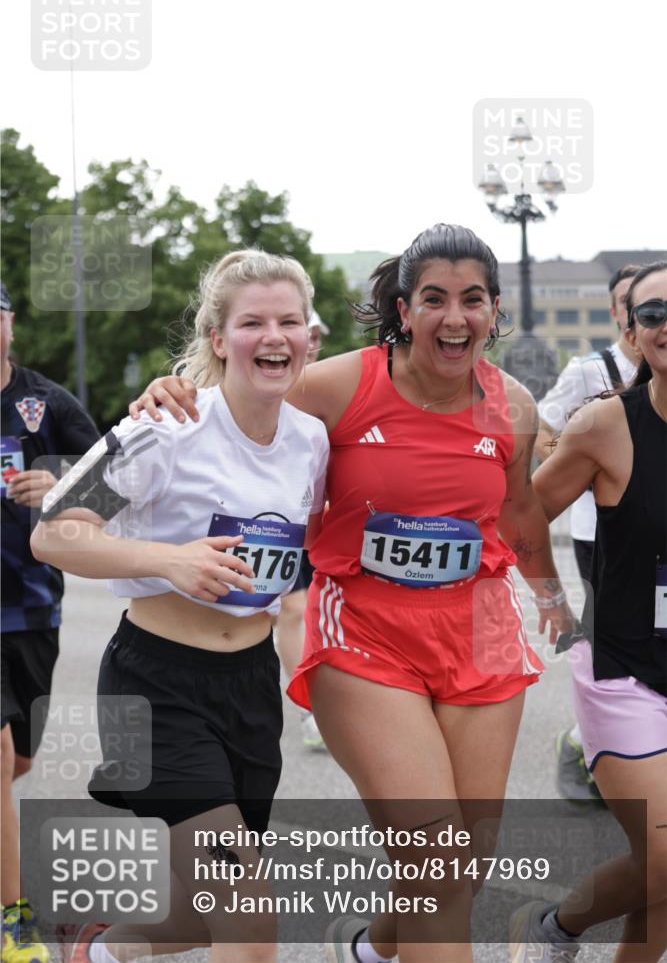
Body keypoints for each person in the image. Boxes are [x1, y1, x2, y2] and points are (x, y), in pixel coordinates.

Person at [130, 224, 576, 963]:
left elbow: (519, 507)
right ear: (403, 309)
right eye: (432, 299)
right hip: (366, 630)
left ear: (494, 312)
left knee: (463, 863)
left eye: (472, 300)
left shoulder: (513, 406)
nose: (453, 317)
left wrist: (552, 598)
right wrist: (177, 388)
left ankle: (371, 949)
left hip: (480, 627)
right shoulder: (337, 384)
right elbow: (242, 394)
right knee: (436, 866)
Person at [30, 251, 329, 963]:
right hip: (154, 686)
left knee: (206, 916)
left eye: (289, 320)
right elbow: (54, 532)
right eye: (252, 321)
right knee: (249, 915)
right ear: (219, 337)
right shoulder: (162, 429)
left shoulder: (311, 441)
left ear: (310, 338)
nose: (274, 336)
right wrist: (171, 560)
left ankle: (96, 952)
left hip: (249, 689)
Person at [515, 261, 667, 963]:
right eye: (653, 312)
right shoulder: (606, 426)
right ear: (631, 332)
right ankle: (560, 923)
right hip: (624, 671)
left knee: (662, 882)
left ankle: (558, 927)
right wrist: (548, 598)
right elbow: (519, 517)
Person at [1, 283, 100, 963]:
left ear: (9, 324)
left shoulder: (44, 402)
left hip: (32, 608)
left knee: (21, 760)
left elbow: (118, 482)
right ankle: (13, 919)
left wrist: (58, 481)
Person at [535, 265, 640, 801]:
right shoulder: (591, 368)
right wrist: (575, 469)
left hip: (652, 528)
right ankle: (586, 743)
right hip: (596, 531)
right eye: (631, 303)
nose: (641, 314)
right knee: (612, 640)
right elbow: (543, 422)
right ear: (617, 312)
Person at [274, 308, 330, 751]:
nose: (308, 341)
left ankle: (331, 700)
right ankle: (310, 706)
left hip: (324, 521)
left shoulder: (333, 383)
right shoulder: (264, 383)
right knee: (292, 610)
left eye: (312, 334)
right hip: (278, 520)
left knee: (317, 610)